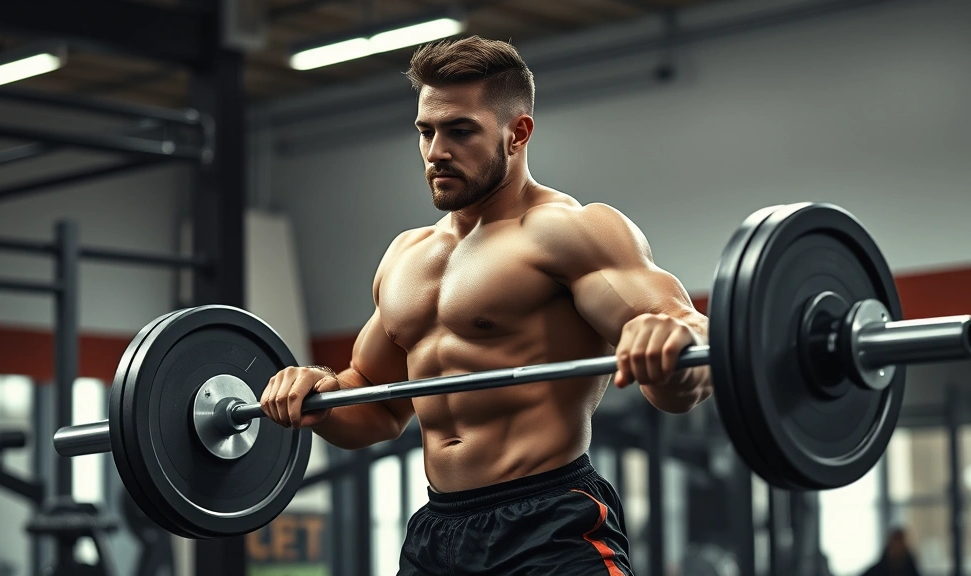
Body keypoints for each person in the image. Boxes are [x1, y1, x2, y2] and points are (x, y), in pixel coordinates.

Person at [261, 35, 712, 576]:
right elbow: (377, 406)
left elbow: (686, 348)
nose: (436, 151)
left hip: (548, 522)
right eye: (426, 131)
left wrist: (672, 343)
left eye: (460, 131)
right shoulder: (405, 257)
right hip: (437, 532)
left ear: (517, 133)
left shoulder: (569, 231)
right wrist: (319, 397)